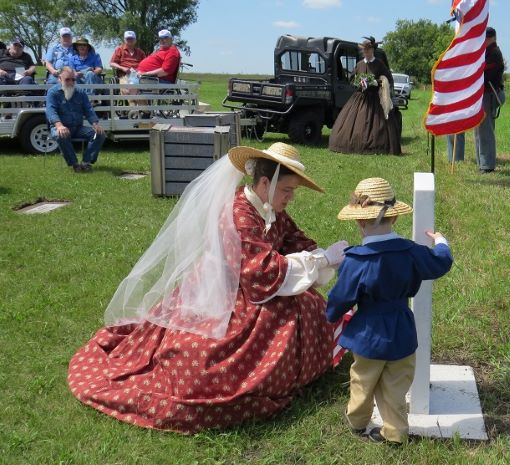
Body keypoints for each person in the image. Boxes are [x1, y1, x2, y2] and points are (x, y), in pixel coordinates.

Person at [67, 142, 350, 432]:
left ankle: (297, 369)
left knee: (304, 306)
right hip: (226, 293)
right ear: (266, 182)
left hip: (258, 287)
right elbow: (260, 273)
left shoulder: (269, 208)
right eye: (287, 190)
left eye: (293, 191)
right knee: (216, 356)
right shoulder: (240, 214)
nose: (291, 197)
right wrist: (320, 260)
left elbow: (295, 241)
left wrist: (324, 255)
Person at [325, 177, 453, 444]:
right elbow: (440, 263)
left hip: (367, 335)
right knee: (397, 385)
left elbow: (340, 298)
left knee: (362, 379)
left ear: (359, 222)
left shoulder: (356, 260)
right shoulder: (412, 252)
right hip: (401, 332)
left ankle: (357, 421)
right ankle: (395, 433)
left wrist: (331, 314)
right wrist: (441, 241)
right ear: (394, 219)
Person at [329, 39, 402, 155]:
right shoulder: (359, 65)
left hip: (376, 99)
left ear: (372, 50)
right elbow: (352, 79)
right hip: (360, 97)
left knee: (379, 125)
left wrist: (375, 82)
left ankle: (378, 147)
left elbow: (389, 79)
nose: (365, 53)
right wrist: (359, 82)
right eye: (364, 50)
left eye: (367, 50)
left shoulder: (379, 64)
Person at [45, 67, 106, 172]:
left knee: (100, 134)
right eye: (67, 79)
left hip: (77, 128)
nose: (71, 82)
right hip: (60, 127)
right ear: (60, 79)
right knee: (61, 135)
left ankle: (86, 162)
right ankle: (74, 164)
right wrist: (59, 125)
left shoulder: (80, 92)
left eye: (73, 79)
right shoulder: (53, 92)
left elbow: (88, 109)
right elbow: (51, 111)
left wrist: (95, 124)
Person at [475, 27, 505, 174]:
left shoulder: (494, 53)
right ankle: (482, 162)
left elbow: (487, 76)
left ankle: (487, 166)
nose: (484, 40)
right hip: (482, 95)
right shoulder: (487, 52)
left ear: (493, 38)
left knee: (485, 131)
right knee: (479, 130)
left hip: (489, 95)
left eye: (486, 37)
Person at [109, 30, 146, 105]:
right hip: (124, 75)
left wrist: (140, 71)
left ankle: (139, 110)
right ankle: (137, 109)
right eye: (128, 39)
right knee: (127, 90)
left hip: (138, 75)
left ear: (135, 40)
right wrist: (122, 68)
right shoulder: (119, 50)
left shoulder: (140, 52)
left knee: (141, 89)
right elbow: (112, 63)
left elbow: (146, 64)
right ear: (124, 40)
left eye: (131, 39)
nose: (130, 41)